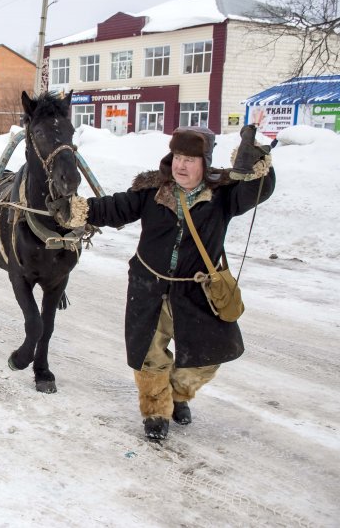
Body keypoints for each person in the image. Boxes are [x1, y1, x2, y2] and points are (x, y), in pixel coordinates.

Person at [82, 125, 276, 440]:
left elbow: (258, 188)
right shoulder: (151, 190)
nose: (181, 165)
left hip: (196, 291)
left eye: (190, 159)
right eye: (177, 157)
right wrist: (79, 210)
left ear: (206, 163)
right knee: (149, 355)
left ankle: (177, 395)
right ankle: (156, 412)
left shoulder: (223, 196)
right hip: (149, 287)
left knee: (208, 357)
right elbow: (114, 207)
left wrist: (254, 158)